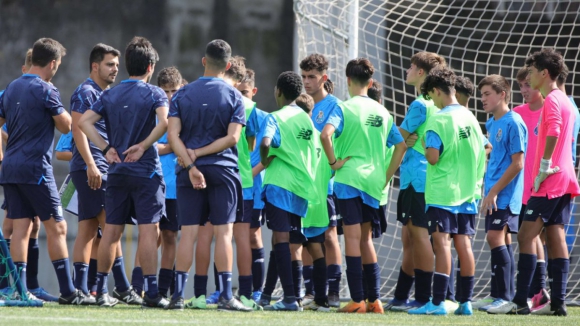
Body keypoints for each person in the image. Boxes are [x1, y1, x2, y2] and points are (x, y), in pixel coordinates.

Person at [79, 36, 169, 308]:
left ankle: (100, 291)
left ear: (128, 65)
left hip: (117, 171)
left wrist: (107, 149)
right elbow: (164, 123)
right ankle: (151, 292)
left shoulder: (110, 94)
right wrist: (143, 146)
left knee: (111, 232)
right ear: (151, 66)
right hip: (146, 172)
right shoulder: (155, 93)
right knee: (148, 230)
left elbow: (84, 122)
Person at [489, 48, 580, 316]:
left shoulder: (552, 99)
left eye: (531, 71)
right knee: (555, 235)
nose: (528, 77)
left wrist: (543, 166)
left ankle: (520, 302)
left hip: (549, 179)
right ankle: (558, 303)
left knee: (527, 236)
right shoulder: (567, 100)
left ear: (544, 73)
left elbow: (553, 131)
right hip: (566, 178)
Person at [0, 38, 91, 304]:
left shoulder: (12, 87)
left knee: (21, 227)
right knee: (58, 227)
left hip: (11, 167)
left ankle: (20, 288)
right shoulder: (46, 89)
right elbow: (65, 127)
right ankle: (68, 292)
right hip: (35, 169)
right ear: (52, 63)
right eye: (58, 65)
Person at [167, 40, 252, 312]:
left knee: (188, 234)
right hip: (223, 169)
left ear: (204, 61)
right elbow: (233, 138)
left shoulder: (181, 94)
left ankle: (178, 297)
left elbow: (173, 136)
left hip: (188, 171)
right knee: (224, 234)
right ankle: (227, 296)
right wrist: (200, 154)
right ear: (228, 66)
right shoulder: (235, 95)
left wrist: (191, 163)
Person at [321, 58, 406, 313]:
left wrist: (334, 162)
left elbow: (325, 134)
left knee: (353, 238)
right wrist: (387, 175)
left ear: (348, 80)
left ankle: (357, 299)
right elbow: (401, 145)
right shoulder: (383, 111)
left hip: (348, 180)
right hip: (373, 183)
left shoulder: (343, 108)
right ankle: (375, 300)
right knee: (367, 240)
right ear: (370, 83)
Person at [408, 68, 485, 316]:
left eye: (431, 96)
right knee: (464, 245)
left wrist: (422, 143)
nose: (432, 102)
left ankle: (439, 302)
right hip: (468, 193)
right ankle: (466, 302)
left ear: (437, 91)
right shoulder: (471, 117)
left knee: (441, 245)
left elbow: (432, 157)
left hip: (443, 193)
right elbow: (485, 149)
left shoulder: (439, 120)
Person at [69, 43, 141, 305]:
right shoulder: (85, 92)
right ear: (95, 65)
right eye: (110, 64)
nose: (115, 70)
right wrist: (91, 164)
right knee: (112, 226)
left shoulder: (106, 93)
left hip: (101, 167)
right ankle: (119, 286)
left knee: (89, 229)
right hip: (93, 168)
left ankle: (80, 290)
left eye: (117, 66)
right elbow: (78, 129)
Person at [388, 52, 446, 311]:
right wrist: (406, 138)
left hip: (417, 180)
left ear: (421, 73)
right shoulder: (436, 104)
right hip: (425, 179)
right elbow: (407, 138)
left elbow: (397, 138)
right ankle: (401, 296)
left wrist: (402, 138)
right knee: (409, 237)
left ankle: (423, 297)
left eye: (412, 67)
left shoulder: (421, 105)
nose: (408, 70)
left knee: (419, 236)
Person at [259, 71, 321, 311]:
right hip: (302, 186)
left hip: (280, 184)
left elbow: (265, 143)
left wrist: (265, 161)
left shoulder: (276, 117)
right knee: (287, 239)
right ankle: (287, 295)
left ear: (279, 91)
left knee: (281, 239)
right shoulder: (308, 120)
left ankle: (289, 299)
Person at [0, 48, 58, 303]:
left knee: (30, 224)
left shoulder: (31, 91)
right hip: (20, 166)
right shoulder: (12, 93)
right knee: (12, 224)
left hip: (22, 166)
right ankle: (5, 283)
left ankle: (30, 285)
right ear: (25, 69)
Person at [476, 75, 527, 312]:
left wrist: (495, 191)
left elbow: (518, 163)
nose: (483, 98)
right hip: (493, 192)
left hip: (505, 195)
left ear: (502, 94)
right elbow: (494, 154)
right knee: (501, 239)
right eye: (482, 94)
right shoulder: (491, 123)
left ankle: (505, 298)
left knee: (494, 237)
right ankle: (497, 294)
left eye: (487, 94)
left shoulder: (513, 122)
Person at [300, 53, 343, 307]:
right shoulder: (300, 106)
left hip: (326, 184)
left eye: (312, 77)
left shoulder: (335, 106)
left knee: (329, 235)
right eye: (303, 76)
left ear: (323, 78)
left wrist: (333, 165)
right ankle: (310, 291)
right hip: (303, 183)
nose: (307, 82)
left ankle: (334, 291)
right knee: (306, 236)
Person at [238, 68, 269, 302]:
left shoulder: (262, 118)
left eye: (245, 92)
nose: (240, 97)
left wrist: (245, 175)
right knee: (228, 236)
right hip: (231, 186)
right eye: (236, 92)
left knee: (252, 236)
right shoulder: (229, 113)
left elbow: (262, 159)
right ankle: (226, 289)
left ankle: (256, 290)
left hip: (252, 189)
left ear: (254, 92)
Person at [155, 67, 185, 299]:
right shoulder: (154, 111)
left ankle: (169, 290)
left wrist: (160, 147)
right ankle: (153, 287)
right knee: (159, 236)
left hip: (177, 186)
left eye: (174, 90)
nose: (169, 96)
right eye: (165, 91)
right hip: (155, 184)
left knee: (172, 237)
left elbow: (176, 144)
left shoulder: (185, 112)